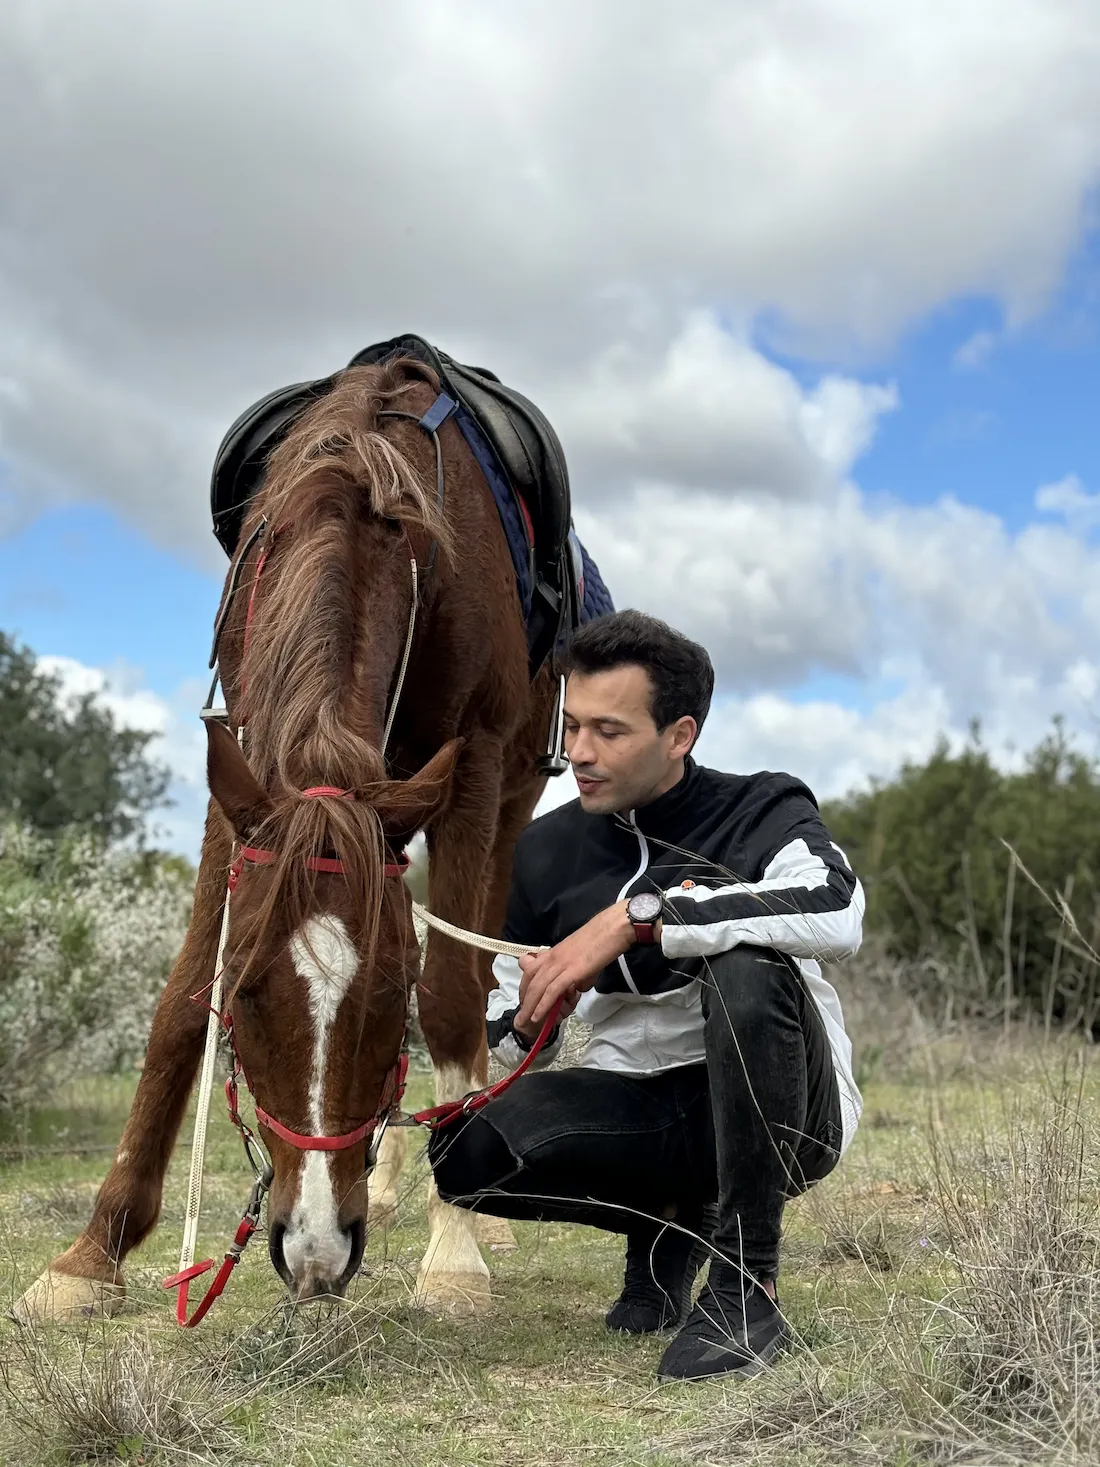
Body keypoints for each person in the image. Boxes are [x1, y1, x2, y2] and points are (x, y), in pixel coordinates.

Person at [427, 610, 864, 1382]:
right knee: (465, 1154)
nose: (579, 753)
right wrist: (535, 1016)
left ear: (679, 736)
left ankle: (746, 1280)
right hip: (644, 1108)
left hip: (790, 1112)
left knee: (748, 965)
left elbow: (837, 906)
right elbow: (500, 1027)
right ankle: (670, 1225)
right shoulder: (544, 849)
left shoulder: (761, 806)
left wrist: (641, 919)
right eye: (570, 726)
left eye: (609, 730)